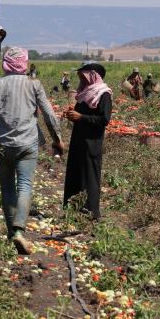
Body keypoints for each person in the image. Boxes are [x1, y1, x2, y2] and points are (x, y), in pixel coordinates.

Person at [0, 47, 65, 254]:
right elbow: (49, 114)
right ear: (24, 64)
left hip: (3, 144)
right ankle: (18, 230)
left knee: (7, 189)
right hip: (27, 143)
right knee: (24, 185)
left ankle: (11, 234)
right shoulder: (34, 85)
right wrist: (57, 139)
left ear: (5, 64)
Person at [62, 62, 113, 220]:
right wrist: (72, 113)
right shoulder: (85, 93)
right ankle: (72, 209)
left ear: (93, 76)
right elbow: (79, 114)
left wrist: (81, 117)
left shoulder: (103, 94)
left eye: (83, 78)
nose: (81, 81)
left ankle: (90, 212)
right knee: (76, 172)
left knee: (89, 175)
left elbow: (104, 119)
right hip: (79, 139)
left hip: (92, 142)